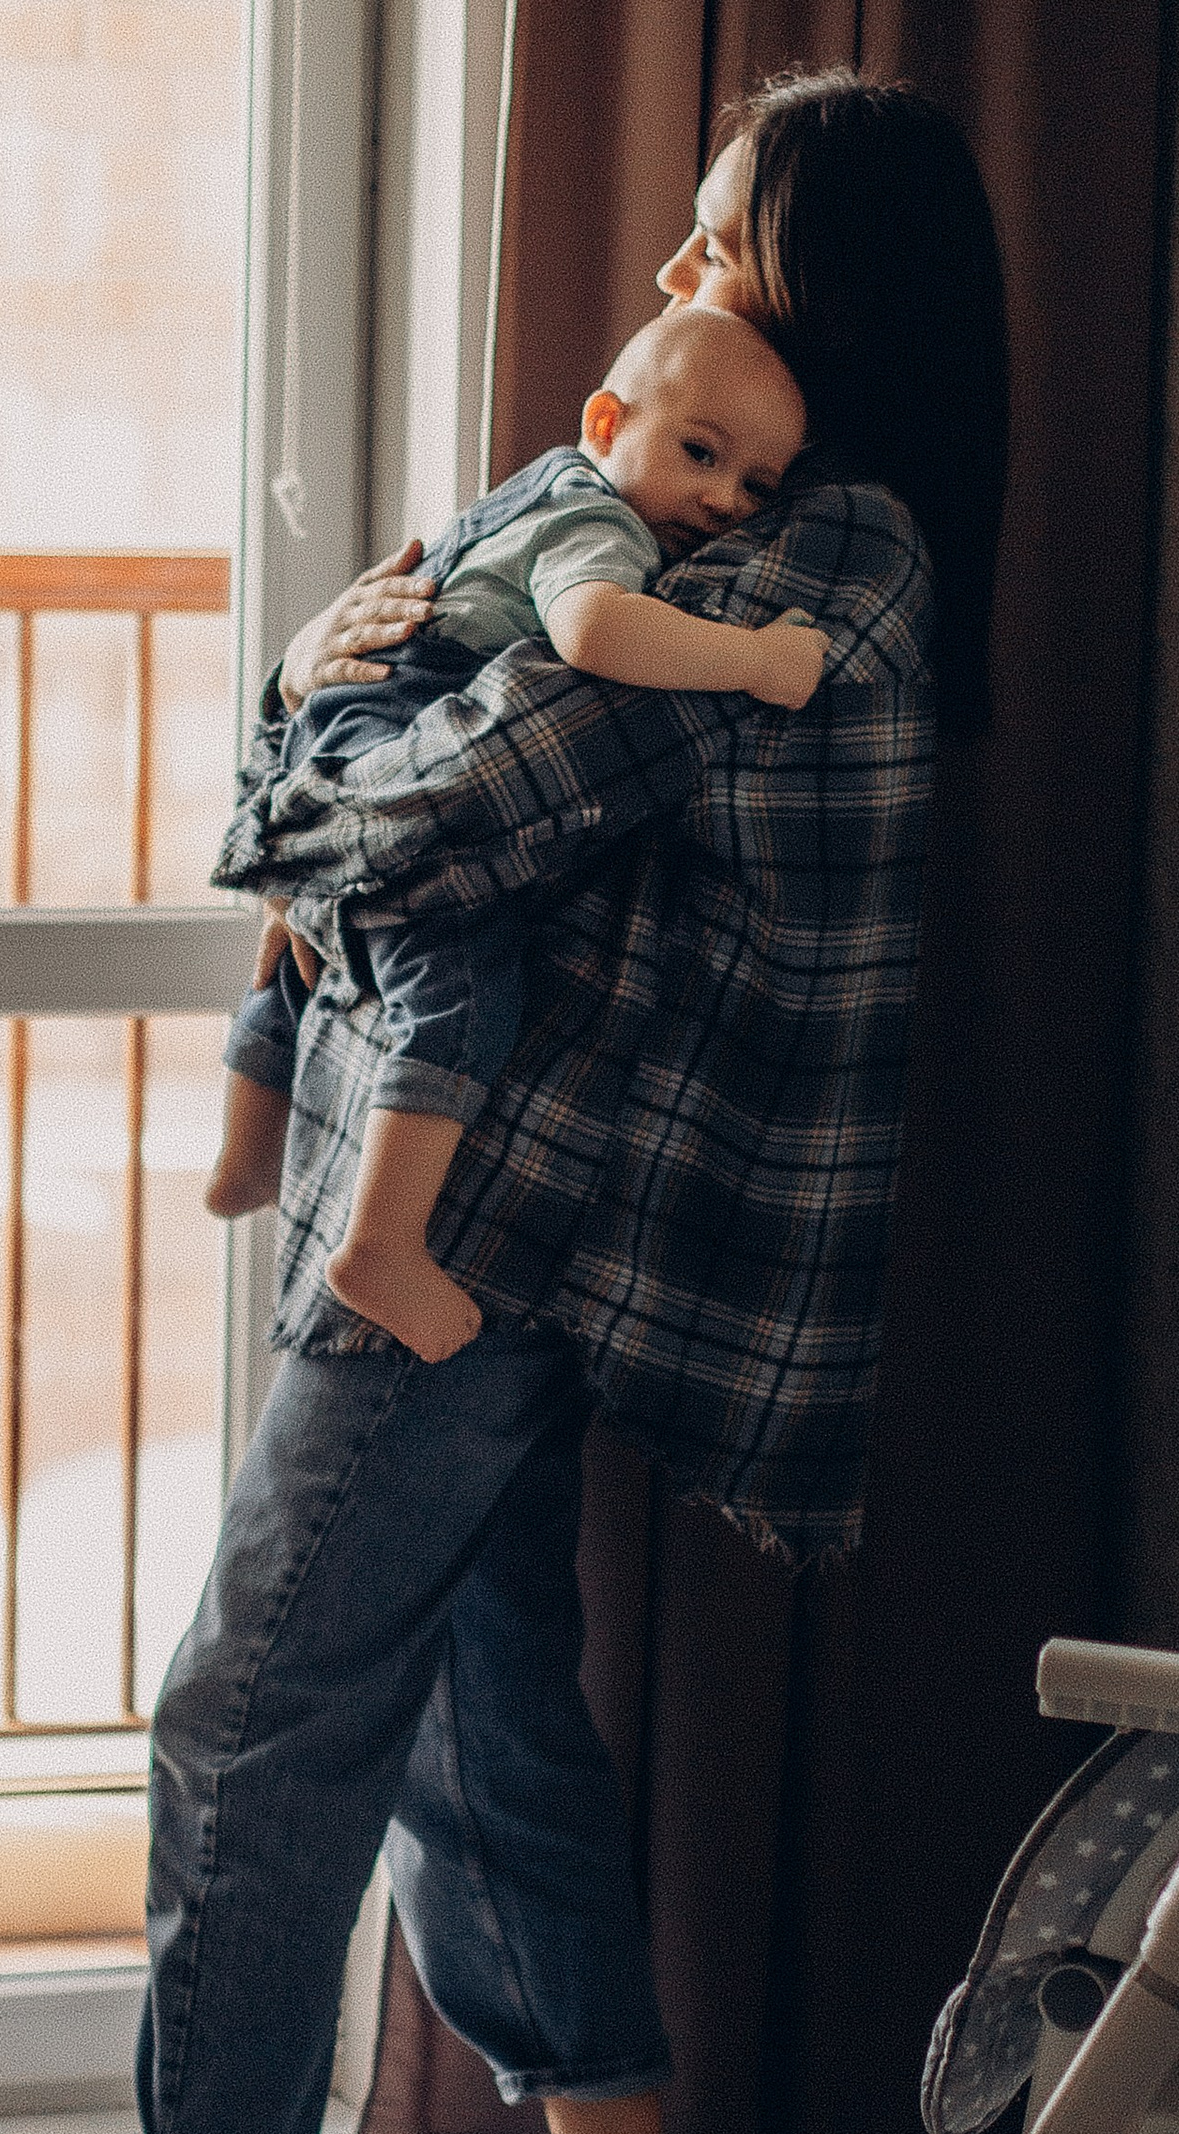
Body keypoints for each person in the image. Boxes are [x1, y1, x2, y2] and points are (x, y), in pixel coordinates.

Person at [0, 69, 1009, 2134]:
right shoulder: (754, 528)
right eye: (689, 250)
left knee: (253, 1699)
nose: (683, 286)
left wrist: (294, 690)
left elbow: (456, 795)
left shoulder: (802, 562)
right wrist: (339, 705)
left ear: (838, 310)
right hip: (531, 1199)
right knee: (485, 1689)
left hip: (498, 1220)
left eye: (732, 258)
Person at [205, 304, 823, 1362]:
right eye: (699, 453)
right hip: (400, 727)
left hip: (344, 723)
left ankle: (245, 1150)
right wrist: (756, 659)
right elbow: (593, 631)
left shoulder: (537, 485)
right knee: (460, 988)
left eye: (756, 485)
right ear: (604, 422)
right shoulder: (604, 528)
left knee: (312, 946)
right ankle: (384, 1244)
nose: (722, 498)